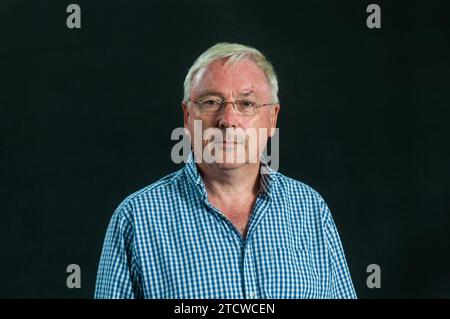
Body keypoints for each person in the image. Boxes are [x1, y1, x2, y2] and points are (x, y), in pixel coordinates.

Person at [94, 42, 357, 299]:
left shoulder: (310, 210)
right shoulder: (136, 220)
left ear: (272, 118)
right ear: (187, 117)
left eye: (246, 104)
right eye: (211, 102)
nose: (228, 121)